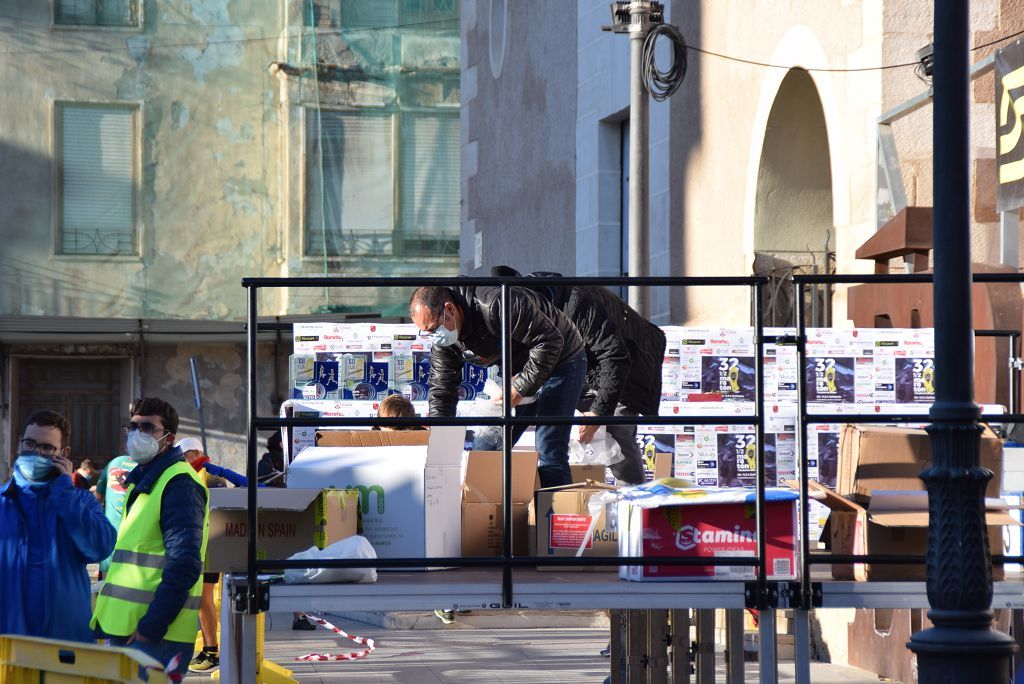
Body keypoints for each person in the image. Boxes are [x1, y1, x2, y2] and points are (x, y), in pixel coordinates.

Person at [492, 266, 666, 484]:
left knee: (615, 431)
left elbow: (614, 356)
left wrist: (598, 414)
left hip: (625, 361)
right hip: (575, 367)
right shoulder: (514, 311)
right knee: (521, 410)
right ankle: (494, 474)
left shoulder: (578, 303)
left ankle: (634, 502)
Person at [409, 284, 587, 489]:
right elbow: (442, 388)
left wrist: (520, 387)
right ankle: (485, 514)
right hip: (519, 369)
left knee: (549, 447)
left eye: (432, 328)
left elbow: (550, 341)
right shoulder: (444, 339)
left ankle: (554, 516)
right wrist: (441, 442)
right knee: (486, 447)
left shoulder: (497, 303)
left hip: (563, 360)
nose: (433, 336)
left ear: (449, 309)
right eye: (426, 332)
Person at [91, 397, 209, 678]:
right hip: (126, 629)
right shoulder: (147, 480)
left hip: (155, 636)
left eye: (147, 428)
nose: (136, 434)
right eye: (132, 426)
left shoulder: (178, 483)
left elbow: (185, 563)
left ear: (168, 438)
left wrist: (151, 626)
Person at [0, 410, 116, 641]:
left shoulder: (80, 502)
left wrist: (65, 493)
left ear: (63, 454)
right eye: (30, 443)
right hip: (9, 645)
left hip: (66, 643)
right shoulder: (3, 502)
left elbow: (101, 547)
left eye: (47, 448)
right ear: (18, 443)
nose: (36, 452)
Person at [95, 450, 140, 577]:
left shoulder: (114, 462)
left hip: (110, 533)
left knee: (105, 580)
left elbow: (99, 496)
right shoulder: (151, 466)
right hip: (136, 533)